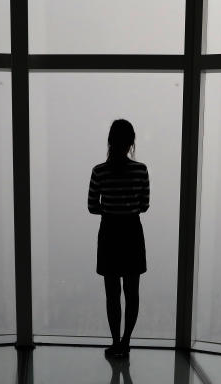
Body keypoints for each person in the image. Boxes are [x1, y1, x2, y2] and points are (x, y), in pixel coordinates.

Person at [87, 119, 150, 359]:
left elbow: (92, 206)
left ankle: (115, 343)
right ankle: (126, 342)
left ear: (110, 141)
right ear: (131, 142)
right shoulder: (141, 170)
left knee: (112, 293)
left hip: (110, 233)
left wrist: (110, 209)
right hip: (132, 232)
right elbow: (144, 205)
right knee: (132, 292)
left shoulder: (99, 171)